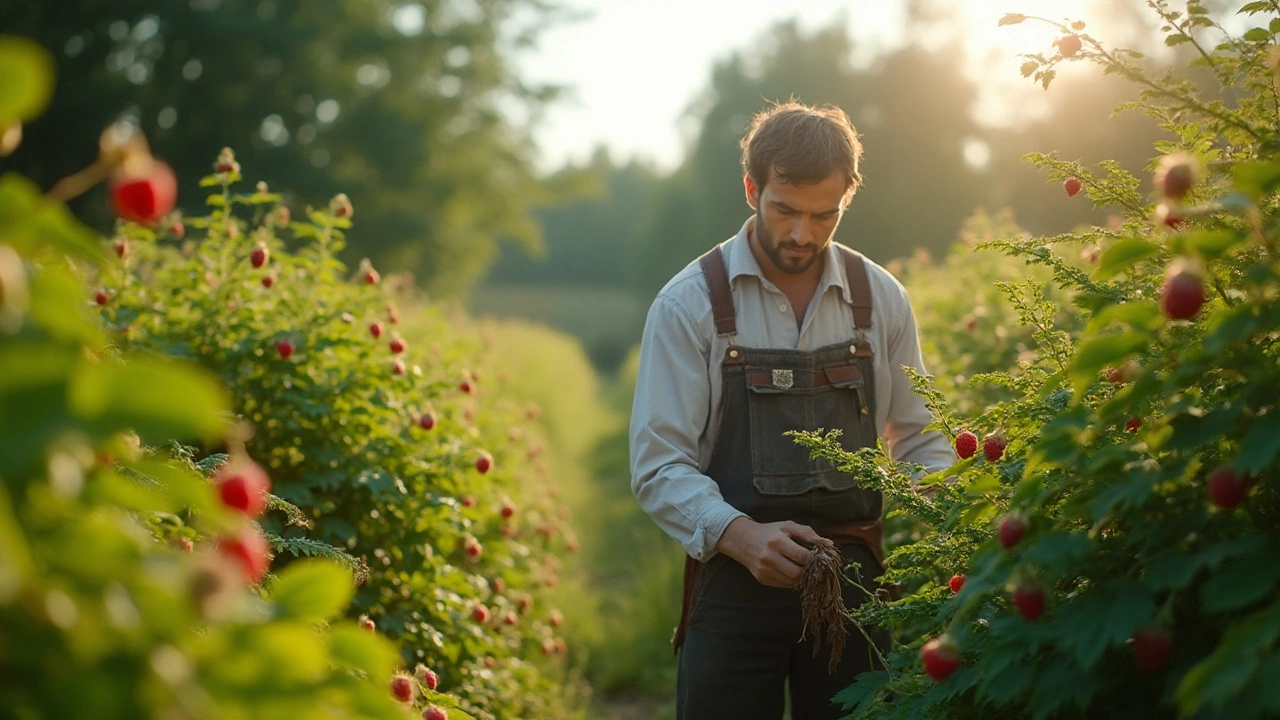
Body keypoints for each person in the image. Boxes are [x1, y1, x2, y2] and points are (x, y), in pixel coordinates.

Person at [628, 101, 956, 720]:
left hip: (856, 587)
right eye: (785, 210)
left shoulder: (879, 299)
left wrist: (938, 529)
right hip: (732, 577)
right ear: (752, 188)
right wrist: (744, 538)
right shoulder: (690, 304)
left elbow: (919, 440)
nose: (803, 234)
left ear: (845, 203)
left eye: (823, 215)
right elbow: (657, 465)